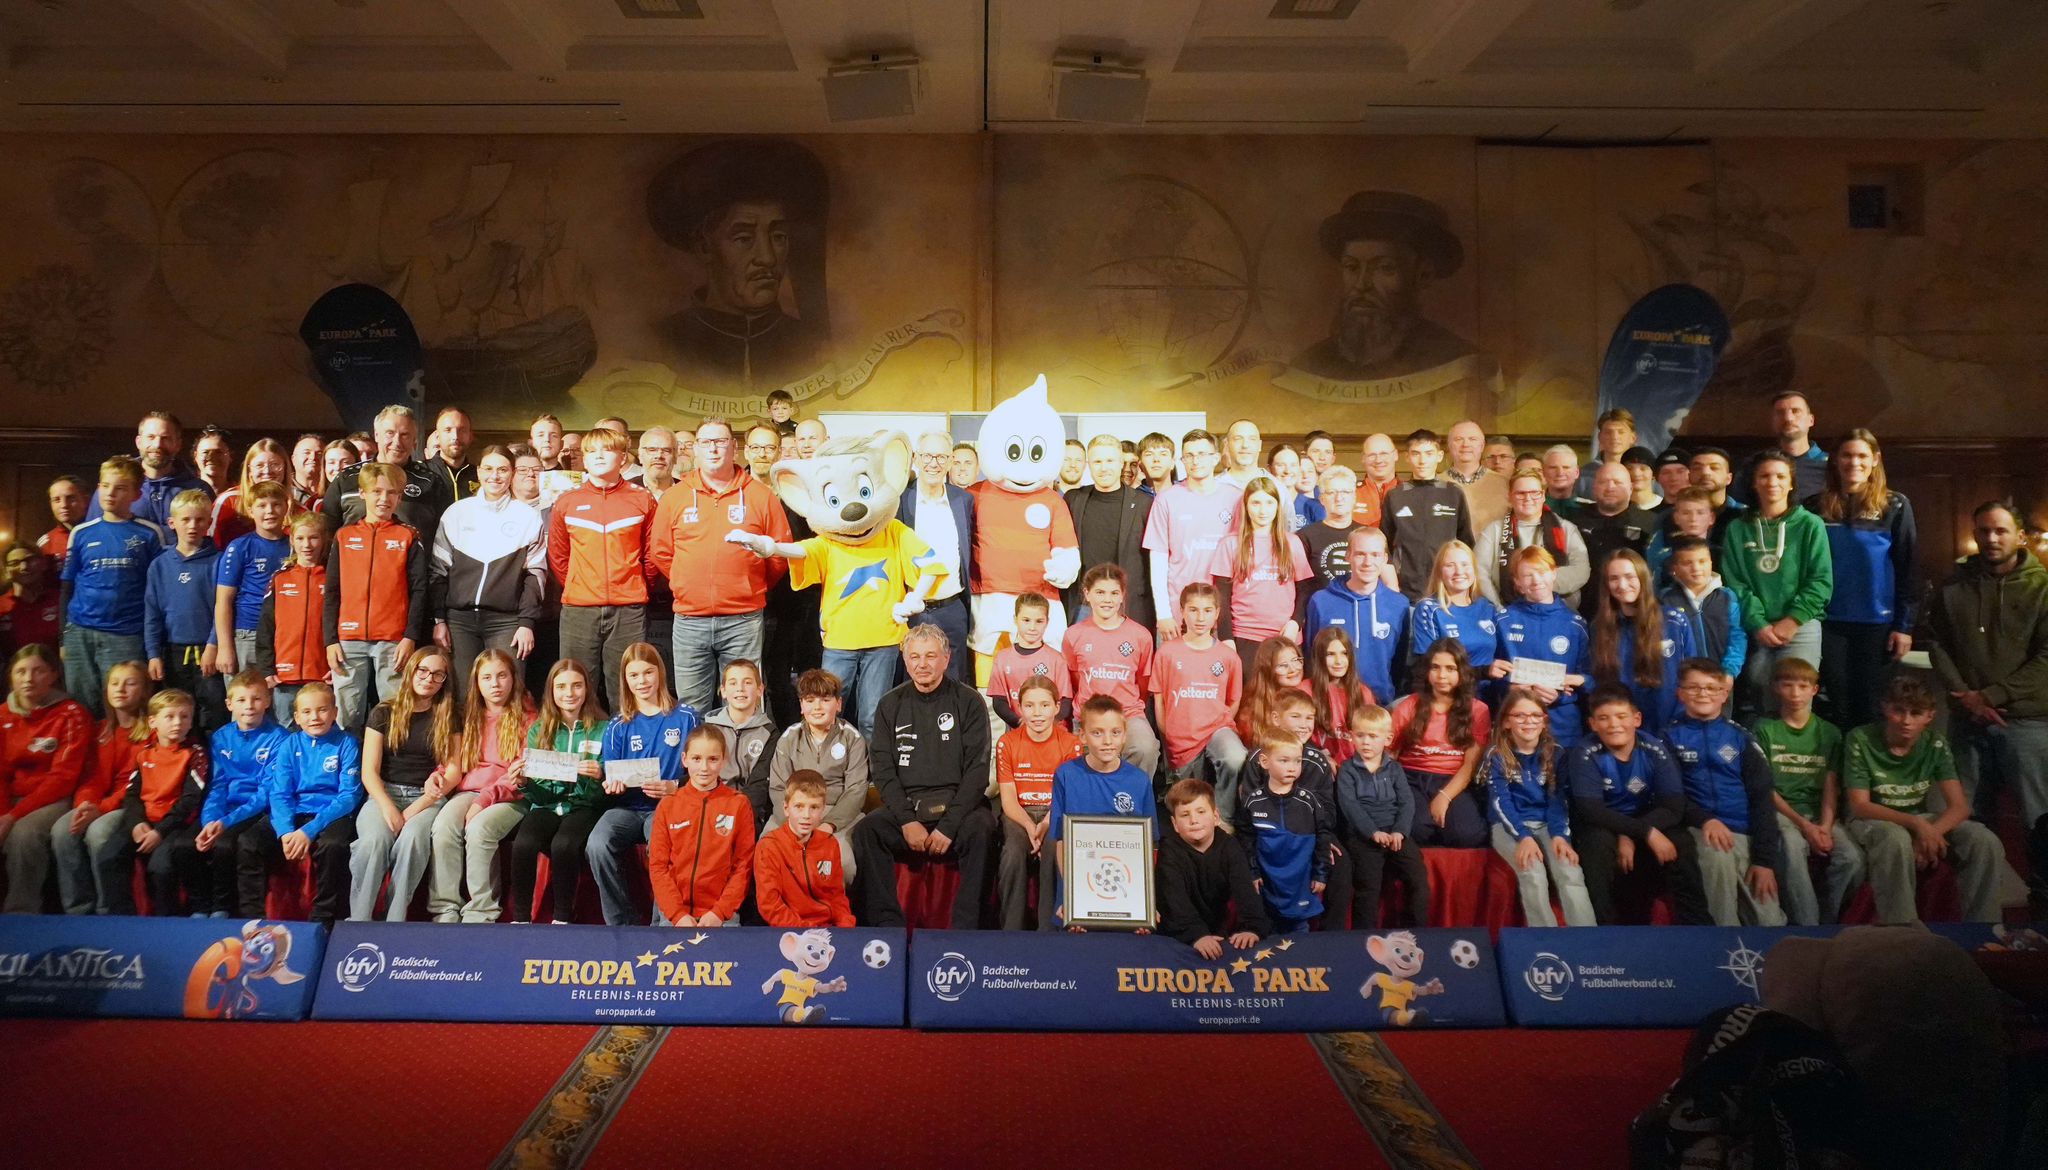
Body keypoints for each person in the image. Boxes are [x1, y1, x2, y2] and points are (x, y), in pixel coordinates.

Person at [849, 625, 995, 930]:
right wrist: (906, 821)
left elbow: (978, 771)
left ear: (946, 658)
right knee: (867, 832)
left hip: (958, 808)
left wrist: (948, 826)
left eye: (930, 656)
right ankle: (886, 927)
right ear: (905, 660)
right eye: (914, 656)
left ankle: (967, 930)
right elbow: (883, 770)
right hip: (908, 808)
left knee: (982, 829)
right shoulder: (890, 704)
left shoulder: (969, 701)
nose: (922, 664)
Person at [649, 417, 791, 711]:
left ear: (734, 448)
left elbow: (778, 554)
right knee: (692, 709)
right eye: (706, 442)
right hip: (689, 620)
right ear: (695, 449)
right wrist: (685, 583)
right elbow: (661, 552)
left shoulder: (760, 496)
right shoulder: (675, 497)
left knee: (744, 706)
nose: (713, 449)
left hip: (743, 620)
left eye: (720, 442)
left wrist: (750, 585)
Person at [1841, 674, 2003, 924]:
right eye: (1899, 711)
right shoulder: (1861, 738)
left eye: (1915, 713)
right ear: (1885, 708)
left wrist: (1931, 832)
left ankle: (1981, 927)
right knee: (1894, 839)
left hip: (1919, 817)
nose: (1906, 720)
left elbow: (1960, 807)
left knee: (1984, 840)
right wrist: (1917, 825)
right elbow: (1860, 805)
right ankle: (1903, 927)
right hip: (1872, 818)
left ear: (1929, 716)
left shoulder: (1935, 743)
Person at [1928, 500, 2048, 835]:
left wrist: (1990, 697)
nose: (1992, 538)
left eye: (2001, 531)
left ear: (2019, 536)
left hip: (2025, 721)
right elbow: (1937, 643)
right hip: (1967, 720)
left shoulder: (2042, 588)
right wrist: (1967, 698)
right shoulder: (1953, 586)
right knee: (1966, 824)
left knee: (2038, 823)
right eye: (1984, 531)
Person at [1292, 190, 1479, 380]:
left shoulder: (1458, 364)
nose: (1361, 285)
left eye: (1385, 268)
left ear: (1424, 275)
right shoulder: (1310, 365)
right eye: (1352, 267)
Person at [1566, 685, 1708, 924]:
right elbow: (1591, 810)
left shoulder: (1654, 749)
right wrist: (1644, 831)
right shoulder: (1584, 752)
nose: (1614, 724)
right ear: (1592, 724)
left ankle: (1697, 925)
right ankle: (1605, 930)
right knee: (1597, 843)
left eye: (1621, 716)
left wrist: (1633, 833)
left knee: (1680, 841)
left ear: (1637, 719)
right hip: (1603, 824)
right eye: (1604, 718)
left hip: (1645, 819)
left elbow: (1673, 806)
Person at [1665, 660, 1787, 927]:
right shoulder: (1668, 738)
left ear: (1724, 694)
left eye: (1711, 688)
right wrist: (1705, 819)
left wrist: (1764, 861)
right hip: (1699, 830)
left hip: (1745, 834)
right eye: (1694, 687)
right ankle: (1720, 942)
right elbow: (1670, 795)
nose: (1703, 694)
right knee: (1717, 862)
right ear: (1680, 693)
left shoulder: (1742, 739)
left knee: (1769, 922)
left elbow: (1762, 799)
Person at [1811, 429, 1918, 730]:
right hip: (1828, 622)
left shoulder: (1895, 505)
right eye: (1847, 455)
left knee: (1870, 706)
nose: (1854, 462)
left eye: (1861, 455)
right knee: (1837, 706)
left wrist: (1904, 626)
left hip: (1876, 624)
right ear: (1835, 460)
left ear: (1875, 459)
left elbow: (1908, 568)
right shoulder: (1813, 506)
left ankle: (1865, 762)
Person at [589, 642, 697, 925]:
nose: (642, 681)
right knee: (597, 844)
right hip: (627, 809)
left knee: (661, 843)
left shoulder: (686, 717)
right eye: (634, 675)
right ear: (625, 680)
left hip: (667, 806)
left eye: (648, 672)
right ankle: (621, 923)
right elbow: (610, 777)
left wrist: (675, 786)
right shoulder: (618, 725)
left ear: (660, 672)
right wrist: (611, 786)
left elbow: (702, 773)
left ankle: (660, 925)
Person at [347, 645, 457, 922]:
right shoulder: (384, 712)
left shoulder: (448, 715)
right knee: (374, 842)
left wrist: (414, 809)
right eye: (423, 670)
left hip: (427, 799)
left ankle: (394, 921)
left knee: (412, 840)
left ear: (444, 680)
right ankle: (359, 921)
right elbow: (369, 771)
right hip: (384, 794)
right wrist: (388, 807)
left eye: (438, 674)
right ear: (411, 671)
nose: (429, 679)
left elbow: (454, 771)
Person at [551, 429, 657, 708]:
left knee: (627, 692)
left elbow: (651, 555)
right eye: (591, 451)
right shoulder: (567, 501)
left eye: (607, 449)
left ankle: (624, 738)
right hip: (578, 610)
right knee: (575, 689)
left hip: (628, 610)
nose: (598, 456)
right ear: (584, 460)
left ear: (623, 457)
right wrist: (580, 586)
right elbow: (559, 557)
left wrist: (635, 587)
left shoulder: (643, 499)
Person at [1751, 657, 1861, 926]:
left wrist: (1825, 826)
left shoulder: (1829, 733)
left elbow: (1831, 785)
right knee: (1791, 845)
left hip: (1818, 812)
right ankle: (1807, 925)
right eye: (1788, 685)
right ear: (1776, 688)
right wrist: (1804, 826)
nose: (1795, 693)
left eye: (1803, 686)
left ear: (1814, 689)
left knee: (1852, 858)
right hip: (1781, 812)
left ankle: (1830, 921)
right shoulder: (1764, 729)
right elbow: (1765, 789)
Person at [324, 463, 430, 733]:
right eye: (377, 491)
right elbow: (332, 590)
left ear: (400, 496)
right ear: (362, 493)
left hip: (393, 639)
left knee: (393, 713)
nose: (384, 499)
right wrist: (330, 640)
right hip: (348, 639)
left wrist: (410, 636)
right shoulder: (344, 536)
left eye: (392, 492)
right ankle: (348, 760)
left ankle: (389, 759)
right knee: (346, 715)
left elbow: (420, 590)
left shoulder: (408, 535)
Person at [1723, 452, 1832, 714]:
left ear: (1791, 483)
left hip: (1801, 625)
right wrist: (1758, 623)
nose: (1773, 482)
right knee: (1761, 704)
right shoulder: (1737, 528)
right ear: (1754, 482)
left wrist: (1792, 620)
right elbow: (1735, 582)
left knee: (1795, 705)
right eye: (1765, 476)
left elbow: (1821, 580)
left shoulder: (1810, 525)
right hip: (1755, 627)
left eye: (1781, 476)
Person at [430, 445, 545, 688]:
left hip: (506, 622)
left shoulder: (528, 516)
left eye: (502, 469)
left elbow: (535, 575)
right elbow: (438, 571)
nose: (495, 476)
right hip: (459, 621)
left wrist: (526, 623)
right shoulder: (456, 513)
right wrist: (439, 620)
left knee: (506, 694)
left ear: (512, 473)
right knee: (463, 694)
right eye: (489, 469)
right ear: (479, 472)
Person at [505, 658, 608, 924]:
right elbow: (539, 795)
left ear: (587, 689)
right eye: (561, 687)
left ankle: (563, 917)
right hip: (547, 805)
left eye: (576, 685)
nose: (569, 693)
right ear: (551, 691)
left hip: (584, 807)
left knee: (564, 845)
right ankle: (520, 918)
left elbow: (603, 796)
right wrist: (524, 783)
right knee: (524, 843)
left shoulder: (604, 729)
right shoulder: (539, 730)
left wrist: (599, 777)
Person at [62, 456, 166, 716]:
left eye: (120, 488)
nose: (110, 493)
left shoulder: (149, 533)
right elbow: (67, 587)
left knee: (125, 707)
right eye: (105, 486)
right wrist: (63, 637)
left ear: (136, 494)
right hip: (80, 632)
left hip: (126, 634)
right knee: (81, 705)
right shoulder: (81, 532)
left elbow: (158, 592)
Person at [1484, 687, 1595, 927]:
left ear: (1544, 721)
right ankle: (1545, 938)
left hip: (1547, 823)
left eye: (1535, 715)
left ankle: (1586, 937)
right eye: (1520, 715)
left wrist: (1560, 835)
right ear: (1506, 722)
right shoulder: (1496, 755)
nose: (1529, 721)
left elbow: (1558, 800)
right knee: (1532, 871)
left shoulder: (1556, 753)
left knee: (1569, 869)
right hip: (1509, 826)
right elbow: (1501, 803)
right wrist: (1523, 836)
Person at [252, 683, 361, 925]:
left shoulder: (347, 743)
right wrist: (285, 831)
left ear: (335, 712)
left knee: (333, 845)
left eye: (322, 710)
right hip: (295, 811)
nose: (315, 717)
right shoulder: (289, 744)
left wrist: (309, 831)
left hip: (331, 812)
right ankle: (253, 918)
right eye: (307, 712)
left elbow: (349, 796)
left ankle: (323, 919)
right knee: (249, 842)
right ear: (297, 717)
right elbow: (280, 793)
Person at [0, 644, 96, 913]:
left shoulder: (72, 713)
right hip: (9, 798)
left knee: (24, 835)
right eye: (21, 671)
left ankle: (21, 912)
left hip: (54, 798)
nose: (28, 679)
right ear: (11, 676)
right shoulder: (2, 714)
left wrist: (13, 816)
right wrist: (3, 812)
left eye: (38, 671)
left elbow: (63, 778)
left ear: (53, 674)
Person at [50, 662, 151, 915]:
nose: (120, 689)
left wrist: (101, 809)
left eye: (130, 683)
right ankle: (78, 910)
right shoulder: (100, 730)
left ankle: (108, 910)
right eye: (114, 683)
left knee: (99, 832)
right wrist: (85, 804)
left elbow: (138, 785)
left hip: (132, 804)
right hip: (98, 803)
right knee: (62, 830)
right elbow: (91, 777)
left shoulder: (152, 732)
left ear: (144, 691)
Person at [1046, 696, 1157, 925]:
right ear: (1083, 735)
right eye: (1097, 733)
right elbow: (1062, 842)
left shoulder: (1139, 781)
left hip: (1127, 896)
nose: (1107, 741)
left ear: (1125, 735)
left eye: (1115, 732)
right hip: (1078, 893)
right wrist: (1071, 898)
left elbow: (1150, 847)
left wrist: (1145, 903)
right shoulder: (1066, 775)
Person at [100, 688, 206, 915]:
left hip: (175, 825)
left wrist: (160, 832)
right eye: (170, 716)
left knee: (160, 868)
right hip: (145, 821)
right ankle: (121, 918)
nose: (178, 722)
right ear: (153, 722)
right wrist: (136, 823)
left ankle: (167, 920)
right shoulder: (144, 754)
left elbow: (189, 801)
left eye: (184, 716)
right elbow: (132, 795)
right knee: (109, 856)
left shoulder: (195, 754)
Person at [190, 671, 287, 919]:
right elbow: (217, 785)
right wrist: (211, 820)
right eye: (242, 700)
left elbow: (266, 793)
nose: (249, 706)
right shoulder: (221, 737)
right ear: (229, 704)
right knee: (184, 845)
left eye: (256, 699)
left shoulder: (280, 739)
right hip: (227, 810)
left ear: (268, 701)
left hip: (260, 810)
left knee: (226, 844)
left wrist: (225, 822)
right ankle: (200, 909)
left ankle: (224, 909)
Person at [753, 669, 867, 877]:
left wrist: (828, 825)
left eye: (825, 700)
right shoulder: (788, 738)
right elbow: (778, 788)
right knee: (764, 854)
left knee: (843, 864)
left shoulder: (853, 738)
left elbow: (856, 790)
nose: (817, 707)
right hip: (793, 813)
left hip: (836, 814)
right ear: (801, 705)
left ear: (838, 704)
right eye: (810, 700)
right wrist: (793, 823)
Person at [645, 726, 755, 928]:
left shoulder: (738, 804)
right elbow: (658, 866)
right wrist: (677, 915)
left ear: (724, 760)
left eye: (712, 759)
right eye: (696, 759)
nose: (704, 767)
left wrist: (719, 913)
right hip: (674, 915)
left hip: (722, 917)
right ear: (685, 759)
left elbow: (743, 866)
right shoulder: (669, 805)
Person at [1152, 584, 1247, 817]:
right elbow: (1159, 700)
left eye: (1207, 610)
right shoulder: (1167, 653)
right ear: (1182, 612)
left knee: (1236, 757)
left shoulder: (1228, 656)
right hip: (1181, 739)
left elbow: (1233, 700)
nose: (1200, 618)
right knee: (1185, 801)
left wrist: (1219, 723)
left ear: (1217, 614)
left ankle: (1223, 817)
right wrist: (1168, 733)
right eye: (1193, 610)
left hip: (1217, 730)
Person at [995, 675, 1080, 930]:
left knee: (1054, 848)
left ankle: (1049, 930)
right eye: (1029, 706)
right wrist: (1030, 827)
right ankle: (1011, 931)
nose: (1037, 713)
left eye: (1044, 705)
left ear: (1056, 708)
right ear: (1019, 708)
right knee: (1012, 853)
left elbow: (1067, 798)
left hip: (1055, 813)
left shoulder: (1071, 744)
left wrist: (1044, 825)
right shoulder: (1007, 743)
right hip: (1019, 814)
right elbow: (1008, 800)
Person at [1389, 639, 1492, 848]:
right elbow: (1390, 753)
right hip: (1411, 778)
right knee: (1416, 829)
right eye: (1435, 667)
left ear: (1462, 672)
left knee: (1467, 835)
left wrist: (1444, 797)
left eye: (1450, 668)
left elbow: (1470, 766)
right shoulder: (1408, 706)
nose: (1441, 675)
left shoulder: (1479, 710)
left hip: (1453, 778)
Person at [1142, 428, 1241, 642]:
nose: (1196, 461)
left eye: (1202, 454)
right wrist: (1163, 614)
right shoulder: (1166, 500)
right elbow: (1158, 560)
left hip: (1225, 611)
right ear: (1182, 460)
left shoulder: (1236, 498)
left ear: (1215, 458)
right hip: (1178, 611)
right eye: (1189, 455)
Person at [1334, 704, 1429, 927]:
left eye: (1373, 736)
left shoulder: (1394, 769)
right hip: (1363, 837)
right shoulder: (1347, 770)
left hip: (1395, 833)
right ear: (1351, 737)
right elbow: (1350, 806)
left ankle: (1416, 931)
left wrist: (1400, 831)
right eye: (1360, 736)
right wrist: (1372, 832)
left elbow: (1406, 802)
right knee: (1368, 889)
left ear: (1388, 739)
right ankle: (1364, 937)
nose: (1366, 742)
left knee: (1418, 880)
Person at [1232, 735, 1336, 932]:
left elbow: (1323, 836)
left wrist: (1321, 874)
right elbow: (1246, 839)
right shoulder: (1252, 802)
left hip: (1300, 885)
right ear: (1264, 762)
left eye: (1297, 761)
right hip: (1266, 884)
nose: (1292, 767)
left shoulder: (1309, 802)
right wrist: (1252, 872)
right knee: (1267, 935)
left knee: (1299, 934)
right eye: (1284, 760)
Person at [1209, 476, 1310, 676]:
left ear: (1278, 506)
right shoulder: (1230, 544)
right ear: (1246, 506)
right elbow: (1222, 595)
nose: (1263, 510)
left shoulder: (1292, 543)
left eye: (1269, 503)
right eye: (1256, 503)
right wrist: (1227, 638)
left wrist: (1295, 622)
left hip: (1285, 636)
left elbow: (1305, 589)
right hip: (1244, 636)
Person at [1155, 778, 1269, 956]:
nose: (1194, 820)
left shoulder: (1230, 846)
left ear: (1216, 817)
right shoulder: (1169, 850)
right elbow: (1174, 900)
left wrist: (1252, 928)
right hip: (1176, 932)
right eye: (1185, 815)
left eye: (1201, 812)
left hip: (1216, 929)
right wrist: (1196, 935)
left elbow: (1245, 890)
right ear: (1175, 824)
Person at [1064, 564, 1160, 776]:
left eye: (1114, 593)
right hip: (1089, 715)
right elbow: (1074, 678)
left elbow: (1143, 683)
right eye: (1100, 592)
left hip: (1128, 714)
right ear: (1087, 594)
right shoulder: (1074, 635)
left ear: (1122, 595)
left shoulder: (1140, 635)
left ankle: (1132, 796)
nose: (1107, 600)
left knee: (1146, 748)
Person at [1491, 546, 1591, 746]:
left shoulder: (1575, 625)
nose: (1536, 580)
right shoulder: (1503, 621)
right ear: (1517, 583)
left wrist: (1562, 694)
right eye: (1527, 575)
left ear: (1554, 573)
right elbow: (1489, 678)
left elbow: (1591, 679)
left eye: (1542, 572)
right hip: (1516, 730)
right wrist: (1508, 688)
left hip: (1562, 731)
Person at [1589, 549, 1696, 734]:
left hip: (1672, 729)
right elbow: (1599, 681)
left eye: (1629, 576)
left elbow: (1692, 675)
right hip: (1622, 732)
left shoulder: (1674, 621)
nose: (1622, 585)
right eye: (1614, 578)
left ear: (1643, 578)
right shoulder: (1599, 627)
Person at [899, 431, 976, 683]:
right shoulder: (900, 501)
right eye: (927, 456)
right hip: (913, 610)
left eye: (941, 457)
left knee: (954, 683)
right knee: (913, 682)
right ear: (915, 459)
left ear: (951, 460)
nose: (934, 463)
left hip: (952, 609)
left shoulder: (963, 500)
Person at [142, 490, 222, 731]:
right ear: (171, 523)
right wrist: (153, 654)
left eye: (199, 520)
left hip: (208, 651)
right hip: (173, 653)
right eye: (185, 519)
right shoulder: (159, 565)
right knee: (178, 714)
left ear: (209, 522)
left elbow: (223, 608)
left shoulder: (218, 561)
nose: (192, 526)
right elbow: (152, 613)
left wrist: (213, 645)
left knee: (212, 712)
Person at [1304, 527, 1409, 706]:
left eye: (1375, 555)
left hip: (1380, 706)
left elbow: (1400, 663)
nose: (1368, 562)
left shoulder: (1399, 605)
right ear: (1348, 556)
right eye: (1360, 554)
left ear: (1385, 559)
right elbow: (1311, 656)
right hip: (1332, 705)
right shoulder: (1321, 601)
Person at [319, 404, 455, 540]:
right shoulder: (347, 478)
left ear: (414, 440)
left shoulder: (431, 482)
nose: (397, 442)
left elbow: (446, 537)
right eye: (390, 433)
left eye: (405, 435)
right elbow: (325, 533)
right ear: (377, 435)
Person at [1064, 434, 1155, 631]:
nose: (1103, 468)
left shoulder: (1144, 504)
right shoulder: (1074, 499)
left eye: (1110, 461)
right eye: (1097, 461)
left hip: (1127, 606)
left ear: (1121, 463)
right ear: (1088, 465)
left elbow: (1152, 561)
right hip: (1083, 606)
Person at [252, 512, 331, 724]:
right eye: (300, 538)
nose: (307, 544)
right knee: (286, 729)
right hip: (284, 676)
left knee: (319, 728)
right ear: (292, 541)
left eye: (313, 538)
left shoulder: (334, 578)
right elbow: (266, 626)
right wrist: (266, 668)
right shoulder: (280, 578)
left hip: (322, 674)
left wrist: (336, 667)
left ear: (324, 540)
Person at [212, 479, 292, 679]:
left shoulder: (295, 545)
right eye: (262, 505)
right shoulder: (240, 547)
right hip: (247, 634)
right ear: (250, 510)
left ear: (286, 507)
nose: (270, 511)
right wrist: (224, 647)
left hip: (284, 634)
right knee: (246, 696)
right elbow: (223, 601)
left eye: (276, 504)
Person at [753, 771, 855, 928]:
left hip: (827, 929)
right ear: (786, 808)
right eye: (799, 807)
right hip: (790, 929)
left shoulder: (829, 843)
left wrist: (846, 926)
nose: (806, 815)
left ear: (823, 810)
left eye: (814, 807)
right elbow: (770, 905)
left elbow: (836, 896)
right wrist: (806, 929)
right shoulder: (769, 846)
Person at [1382, 429, 1473, 599]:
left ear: (1439, 456)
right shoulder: (1395, 496)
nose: (1422, 460)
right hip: (1406, 590)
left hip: (1446, 590)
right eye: (1416, 454)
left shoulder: (1453, 493)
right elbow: (1384, 545)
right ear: (1407, 457)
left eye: (1429, 453)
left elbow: (1466, 543)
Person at [1477, 471, 1589, 609]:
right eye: (1521, 493)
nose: (1528, 498)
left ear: (1543, 496)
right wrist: (1498, 609)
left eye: (1534, 493)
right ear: (1510, 497)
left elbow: (1581, 570)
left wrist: (1537, 586)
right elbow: (1479, 572)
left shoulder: (1566, 529)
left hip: (1561, 610)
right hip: (1504, 610)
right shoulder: (1493, 531)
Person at [86, 411, 210, 529]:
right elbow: (93, 534)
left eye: (165, 438)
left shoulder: (198, 490)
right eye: (151, 437)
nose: (157, 445)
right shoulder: (112, 487)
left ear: (178, 445)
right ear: (139, 442)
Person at [1409, 540, 1504, 680]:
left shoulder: (1488, 608)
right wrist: (1484, 671)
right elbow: (1428, 667)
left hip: (1489, 690)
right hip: (1451, 691)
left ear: (1474, 569)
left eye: (1465, 565)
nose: (1459, 571)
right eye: (1450, 565)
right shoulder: (1428, 609)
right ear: (1439, 572)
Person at [1575, 462, 1656, 618]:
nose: (1610, 487)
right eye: (1603, 482)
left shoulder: (1650, 523)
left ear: (1630, 488)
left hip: (1635, 613)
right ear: (1594, 487)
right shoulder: (1573, 522)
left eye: (1618, 482)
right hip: (1584, 612)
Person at [1660, 534, 1747, 680]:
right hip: (1681, 681)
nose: (1696, 568)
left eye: (1702, 561)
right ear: (1674, 568)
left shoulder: (1727, 597)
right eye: (1687, 563)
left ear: (1711, 562)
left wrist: (1729, 672)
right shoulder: (1665, 600)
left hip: (1720, 677)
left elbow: (1736, 636)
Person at [987, 592, 1071, 728]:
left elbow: (1065, 701)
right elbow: (999, 701)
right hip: (1019, 732)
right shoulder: (1003, 658)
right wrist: (1019, 723)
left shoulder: (1056, 659)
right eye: (1026, 620)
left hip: (1053, 732)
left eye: (1039, 621)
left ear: (1047, 622)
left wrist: (1048, 725)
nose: (1032, 627)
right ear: (1015, 619)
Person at [1735, 390, 1830, 507]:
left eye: (1796, 411)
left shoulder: (1831, 465)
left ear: (1811, 420)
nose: (1788, 418)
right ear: (1773, 422)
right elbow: (1738, 506)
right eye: (1780, 413)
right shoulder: (1754, 465)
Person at [705, 659, 774, 800]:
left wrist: (736, 809)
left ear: (760, 690)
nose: (740, 688)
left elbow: (760, 784)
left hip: (749, 806)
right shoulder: (709, 730)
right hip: (714, 802)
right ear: (723, 691)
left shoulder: (769, 733)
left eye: (747, 682)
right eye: (733, 683)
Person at [207, 437, 294, 547]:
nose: (267, 471)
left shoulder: (298, 509)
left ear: (285, 467)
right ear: (250, 470)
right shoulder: (228, 501)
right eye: (259, 465)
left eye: (275, 464)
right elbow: (210, 544)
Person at [1298, 466, 1361, 604]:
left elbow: (1389, 582)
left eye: (1345, 492)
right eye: (1331, 492)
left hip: (1361, 608)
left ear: (1354, 497)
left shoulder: (1368, 534)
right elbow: (1299, 587)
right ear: (1321, 499)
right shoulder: (1305, 536)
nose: (1339, 498)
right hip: (1320, 610)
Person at [1306, 628, 1367, 765]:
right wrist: (1321, 758)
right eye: (1330, 654)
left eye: (1344, 653)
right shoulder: (1305, 691)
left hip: (1355, 767)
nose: (1338, 661)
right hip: (1316, 765)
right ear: (1319, 657)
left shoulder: (1363, 693)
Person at [1444, 420, 1508, 534]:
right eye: (1458, 439)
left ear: (1482, 446)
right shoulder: (1435, 484)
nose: (1465, 444)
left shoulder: (1505, 484)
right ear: (1449, 446)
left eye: (1472, 439)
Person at [1643, 487, 1718, 584]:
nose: (1693, 519)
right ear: (1676, 517)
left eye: (1700, 513)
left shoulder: (1719, 551)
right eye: (1686, 513)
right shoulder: (1663, 549)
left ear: (1711, 518)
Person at [0, 549, 61, 663]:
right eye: (14, 563)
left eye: (29, 560)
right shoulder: (2, 606)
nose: (24, 567)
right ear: (6, 571)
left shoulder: (60, 600)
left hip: (57, 671)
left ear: (43, 564)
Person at [1575, 407, 1638, 498]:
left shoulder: (1644, 476)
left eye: (1621, 432)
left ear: (1633, 438)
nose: (1614, 437)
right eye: (1608, 432)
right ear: (1600, 437)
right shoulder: (1583, 476)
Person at [41, 474, 88, 563]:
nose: (64, 505)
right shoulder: (47, 542)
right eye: (57, 500)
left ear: (85, 500)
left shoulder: (103, 534)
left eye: (71, 498)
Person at [1357, 433, 1398, 529]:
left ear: (1395, 455)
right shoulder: (1349, 493)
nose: (1378, 460)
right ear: (1363, 458)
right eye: (1372, 455)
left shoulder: (1410, 493)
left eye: (1384, 454)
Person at [1541, 444, 1591, 516]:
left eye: (1566, 467)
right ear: (1543, 472)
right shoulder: (1532, 507)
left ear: (1577, 472)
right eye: (1553, 468)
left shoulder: (1592, 509)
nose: (1560, 473)